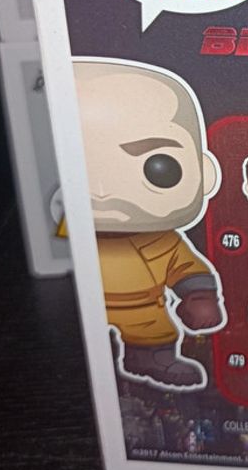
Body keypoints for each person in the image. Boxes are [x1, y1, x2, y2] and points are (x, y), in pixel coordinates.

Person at [74, 58, 226, 389]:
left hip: (142, 308)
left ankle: (149, 357)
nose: (103, 191)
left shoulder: (158, 240)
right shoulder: (64, 235)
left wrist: (198, 296)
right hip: (75, 305)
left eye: (159, 167)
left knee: (154, 331)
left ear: (205, 174)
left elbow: (184, 267)